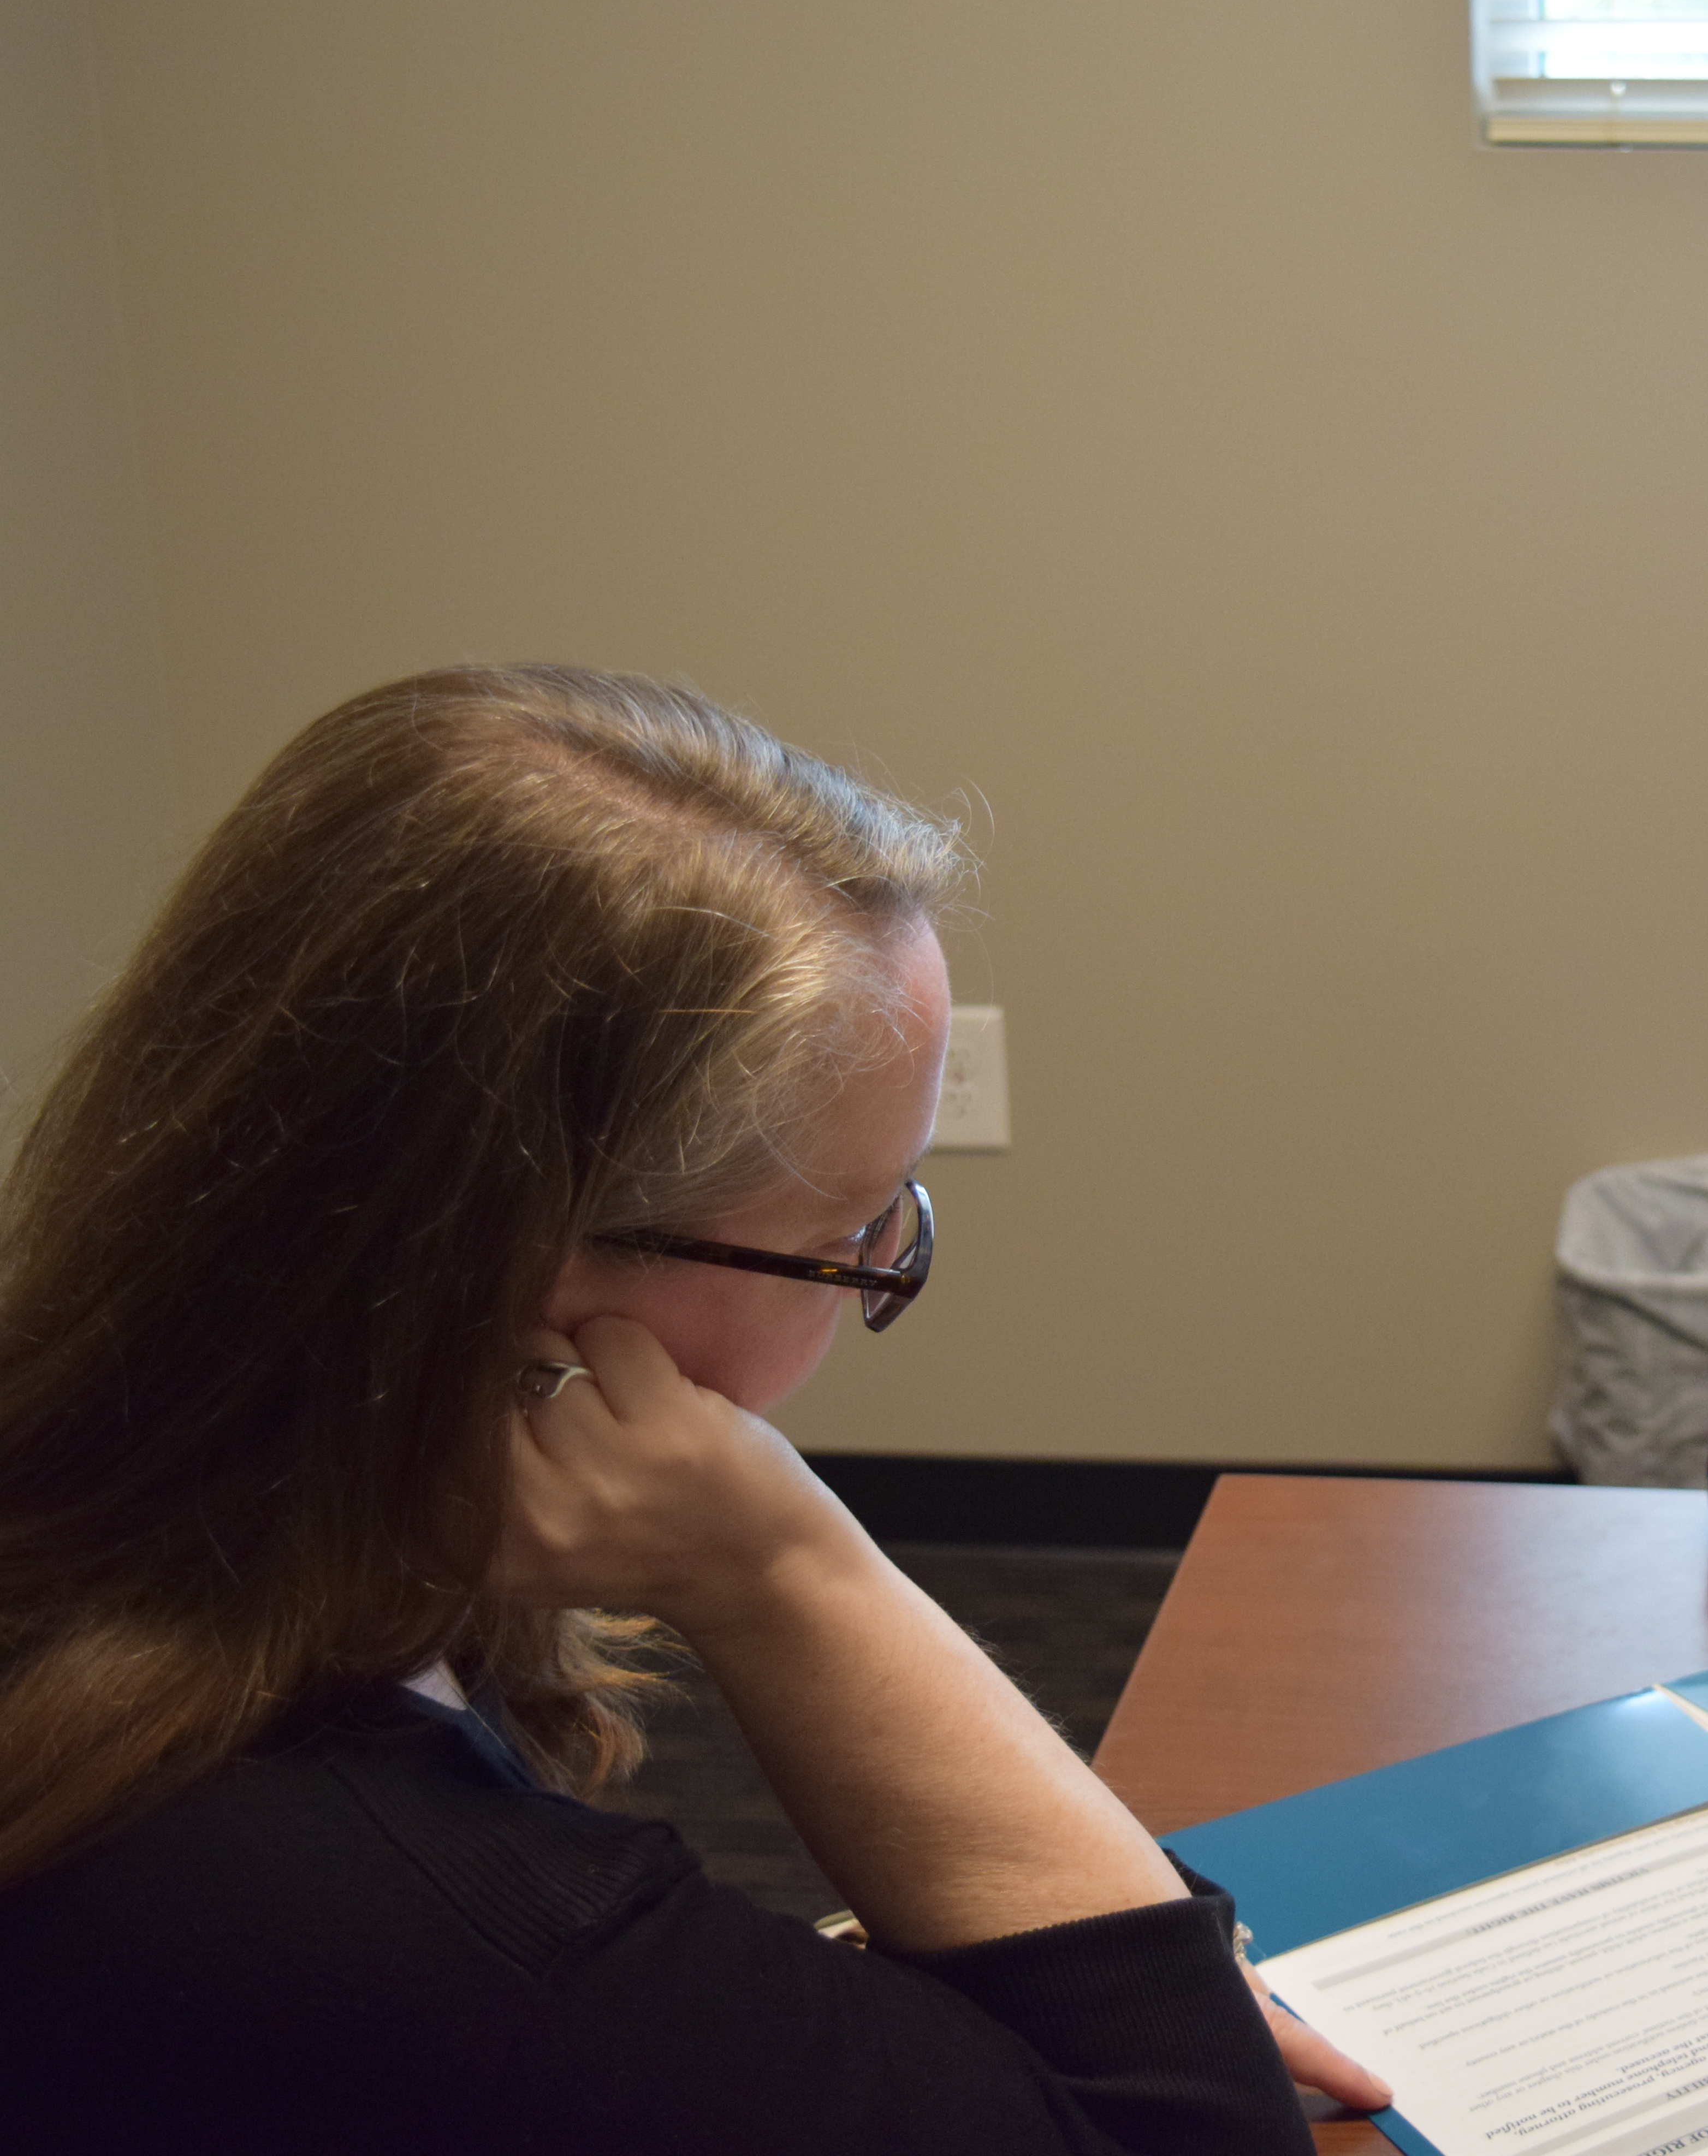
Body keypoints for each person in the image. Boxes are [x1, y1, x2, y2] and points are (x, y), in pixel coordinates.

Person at [0, 666, 1383, 2151]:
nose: (879, 1270)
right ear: (526, 1279)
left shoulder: (155, 1541)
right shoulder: (385, 1905)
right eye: (847, 1238)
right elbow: (1199, 2132)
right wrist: (786, 1569)